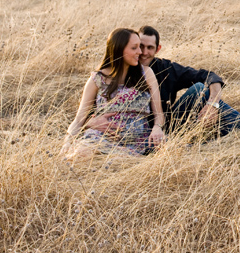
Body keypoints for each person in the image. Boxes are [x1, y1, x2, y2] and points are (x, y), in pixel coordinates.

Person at [85, 25, 240, 141]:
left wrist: (212, 104)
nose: (143, 52)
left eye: (150, 48)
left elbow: (210, 76)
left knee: (200, 89)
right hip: (133, 132)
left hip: (166, 126)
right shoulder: (117, 72)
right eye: (139, 46)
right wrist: (89, 122)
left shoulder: (166, 68)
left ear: (158, 49)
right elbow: (94, 110)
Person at [61, 28, 166, 159]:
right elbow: (78, 119)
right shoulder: (97, 79)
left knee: (120, 162)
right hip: (100, 139)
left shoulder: (146, 74)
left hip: (136, 143)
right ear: (119, 50)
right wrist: (67, 143)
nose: (140, 52)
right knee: (82, 154)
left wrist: (157, 127)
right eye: (134, 48)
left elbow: (159, 115)